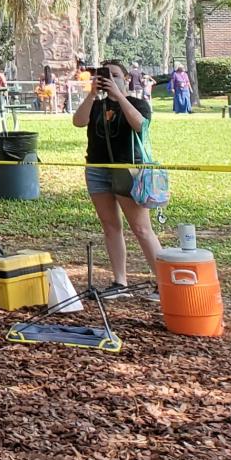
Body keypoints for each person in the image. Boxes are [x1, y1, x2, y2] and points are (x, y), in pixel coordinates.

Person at [76, 58, 162, 299]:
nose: (109, 79)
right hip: (97, 168)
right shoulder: (96, 105)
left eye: (114, 75)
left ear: (125, 78)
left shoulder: (138, 103)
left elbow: (140, 125)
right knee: (111, 227)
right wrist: (92, 94)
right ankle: (119, 282)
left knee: (141, 228)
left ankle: (163, 283)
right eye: (104, 75)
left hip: (128, 170)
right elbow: (78, 121)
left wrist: (119, 97)